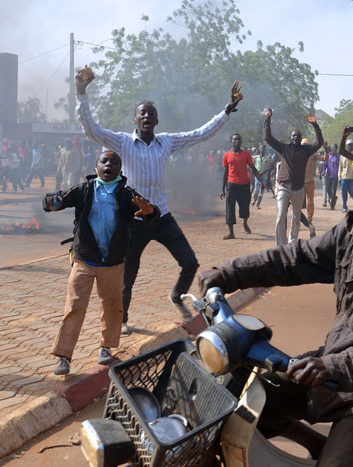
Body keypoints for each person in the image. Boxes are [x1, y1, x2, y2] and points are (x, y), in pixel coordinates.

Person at [197, 148, 353, 466]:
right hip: (333, 365)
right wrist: (230, 273)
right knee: (252, 401)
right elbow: (296, 258)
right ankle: (315, 443)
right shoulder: (352, 231)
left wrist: (334, 367)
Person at [75, 67, 244, 332]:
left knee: (190, 263)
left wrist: (227, 109)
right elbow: (91, 129)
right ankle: (123, 319)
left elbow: (200, 133)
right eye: (142, 113)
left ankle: (177, 296)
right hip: (132, 222)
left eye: (151, 114)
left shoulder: (166, 142)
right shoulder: (121, 143)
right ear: (135, 119)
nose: (146, 117)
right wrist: (81, 93)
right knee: (127, 276)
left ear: (156, 120)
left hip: (162, 217)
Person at [44, 151, 160, 375]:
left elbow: (150, 213)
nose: (108, 165)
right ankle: (64, 356)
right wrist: (51, 203)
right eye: (103, 161)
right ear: (95, 166)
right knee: (74, 306)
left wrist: (150, 212)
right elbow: (56, 200)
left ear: (120, 169)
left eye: (114, 162)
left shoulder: (127, 195)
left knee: (111, 306)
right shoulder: (84, 190)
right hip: (84, 259)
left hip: (113, 262)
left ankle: (105, 347)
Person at [263, 108, 324, 245]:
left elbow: (319, 142)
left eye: (298, 136)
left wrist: (315, 124)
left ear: (301, 139)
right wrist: (268, 119)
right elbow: (268, 137)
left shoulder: (306, 150)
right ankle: (280, 245)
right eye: (293, 136)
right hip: (284, 187)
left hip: (298, 189)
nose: (296, 137)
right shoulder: (284, 148)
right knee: (280, 215)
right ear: (290, 138)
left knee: (296, 218)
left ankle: (292, 242)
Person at [220, 133, 262, 239]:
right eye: (235, 140)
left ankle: (244, 222)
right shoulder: (226, 155)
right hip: (231, 184)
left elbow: (253, 168)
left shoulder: (246, 154)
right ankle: (231, 233)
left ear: (241, 142)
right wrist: (222, 189)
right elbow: (225, 172)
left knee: (244, 207)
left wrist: (260, 179)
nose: (237, 141)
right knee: (230, 208)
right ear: (231, 141)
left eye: (239, 140)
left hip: (244, 185)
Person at [302, 138, 325, 223]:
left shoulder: (313, 154)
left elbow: (325, 159)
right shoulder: (298, 153)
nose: (304, 147)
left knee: (310, 201)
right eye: (303, 145)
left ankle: (309, 220)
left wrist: (326, 149)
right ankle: (296, 219)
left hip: (309, 181)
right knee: (297, 201)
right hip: (299, 181)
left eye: (306, 145)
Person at [322, 143, 340, 209]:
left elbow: (340, 166)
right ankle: (333, 197)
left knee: (333, 191)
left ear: (336, 149)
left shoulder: (338, 156)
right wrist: (323, 171)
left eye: (335, 148)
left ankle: (332, 206)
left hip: (335, 176)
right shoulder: (328, 155)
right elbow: (324, 164)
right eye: (332, 148)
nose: (333, 150)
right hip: (328, 175)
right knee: (328, 190)